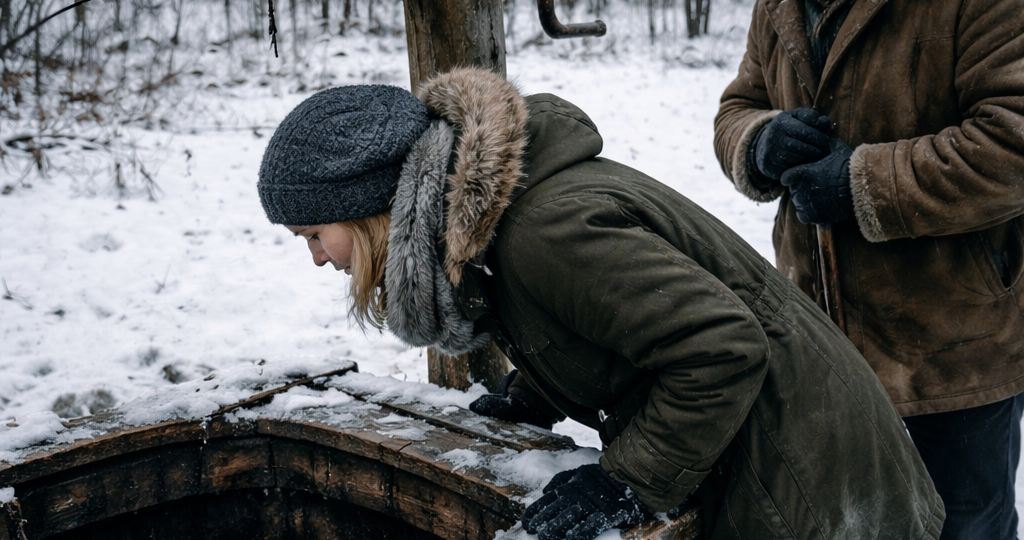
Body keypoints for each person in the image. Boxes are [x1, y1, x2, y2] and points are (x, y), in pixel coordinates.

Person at [258, 67, 943, 540]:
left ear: (376, 211)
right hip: (770, 458)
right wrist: (530, 396)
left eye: (315, 234)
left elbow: (722, 349)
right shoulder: (499, 230)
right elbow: (595, 317)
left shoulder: (543, 231)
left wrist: (629, 482)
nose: (318, 257)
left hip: (808, 482)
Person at [712, 0, 1024, 538]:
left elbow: (1011, 142)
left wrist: (862, 183)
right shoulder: (779, 5)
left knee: (965, 524)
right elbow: (739, 105)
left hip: (954, 345)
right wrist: (759, 140)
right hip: (816, 338)